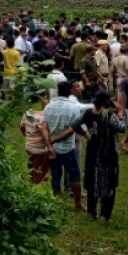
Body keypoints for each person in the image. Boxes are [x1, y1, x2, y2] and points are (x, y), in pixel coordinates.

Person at [69, 90, 126, 221]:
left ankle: (91, 212)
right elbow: (121, 128)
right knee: (108, 180)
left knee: (92, 179)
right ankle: (104, 215)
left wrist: (87, 135)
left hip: (93, 150)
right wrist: (121, 115)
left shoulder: (88, 112)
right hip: (108, 151)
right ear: (107, 101)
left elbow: (76, 124)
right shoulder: (109, 114)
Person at [44, 80, 87, 211]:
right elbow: (74, 128)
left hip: (53, 149)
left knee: (56, 176)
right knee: (74, 175)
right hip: (68, 148)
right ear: (70, 92)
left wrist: (50, 144)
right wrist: (86, 134)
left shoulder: (48, 107)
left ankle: (56, 204)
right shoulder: (73, 107)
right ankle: (77, 204)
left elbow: (44, 128)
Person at [20, 94, 56, 184]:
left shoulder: (27, 113)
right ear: (40, 101)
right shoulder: (43, 115)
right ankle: (36, 185)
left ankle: (34, 182)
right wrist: (50, 146)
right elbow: (44, 132)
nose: (47, 101)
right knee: (41, 170)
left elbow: (22, 127)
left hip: (29, 145)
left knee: (33, 166)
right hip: (40, 148)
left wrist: (27, 137)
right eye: (45, 99)